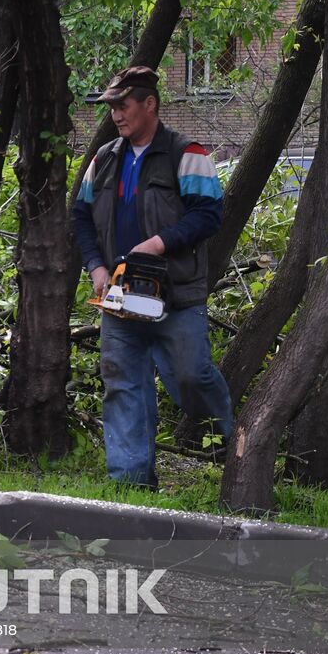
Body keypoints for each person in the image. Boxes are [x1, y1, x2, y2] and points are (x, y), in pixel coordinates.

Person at [73, 65, 232, 488]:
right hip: (121, 296)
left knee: (191, 375)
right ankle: (131, 483)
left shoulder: (186, 152)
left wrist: (160, 242)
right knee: (123, 385)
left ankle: (235, 445)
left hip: (176, 295)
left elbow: (209, 214)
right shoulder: (104, 159)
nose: (116, 116)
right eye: (111, 109)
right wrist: (96, 266)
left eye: (123, 106)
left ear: (149, 104)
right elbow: (81, 216)